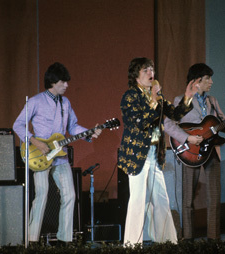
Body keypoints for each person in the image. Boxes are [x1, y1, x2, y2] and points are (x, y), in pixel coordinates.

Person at [13, 62, 102, 246]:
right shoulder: (36, 101)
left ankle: (65, 240)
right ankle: (32, 240)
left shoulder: (66, 103)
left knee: (70, 195)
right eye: (63, 82)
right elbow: (18, 125)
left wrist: (89, 132)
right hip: (40, 155)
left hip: (60, 156)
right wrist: (35, 141)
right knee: (42, 194)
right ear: (53, 82)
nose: (67, 85)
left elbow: (72, 126)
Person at [117, 57, 200, 246]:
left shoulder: (158, 97)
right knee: (138, 200)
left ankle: (168, 242)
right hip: (137, 156)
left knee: (162, 199)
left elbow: (176, 114)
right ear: (136, 76)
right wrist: (153, 102)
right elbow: (139, 122)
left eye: (152, 69)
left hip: (155, 154)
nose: (150, 73)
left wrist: (188, 97)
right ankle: (131, 245)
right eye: (146, 70)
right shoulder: (130, 96)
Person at [164, 63, 225, 241]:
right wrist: (189, 139)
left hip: (211, 150)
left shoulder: (212, 101)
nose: (211, 82)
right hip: (190, 153)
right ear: (196, 81)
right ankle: (187, 237)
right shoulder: (181, 100)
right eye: (207, 78)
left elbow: (223, 125)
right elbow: (172, 124)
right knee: (187, 198)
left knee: (214, 195)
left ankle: (213, 238)